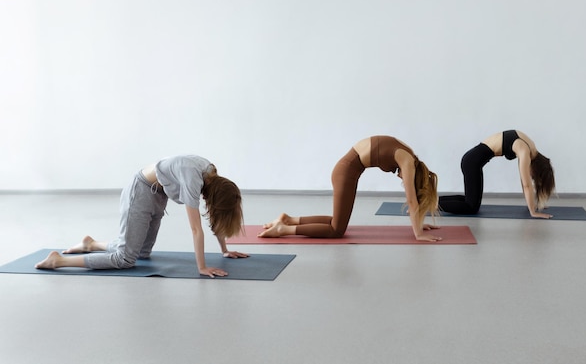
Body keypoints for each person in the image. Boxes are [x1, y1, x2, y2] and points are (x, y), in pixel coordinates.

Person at [35, 155, 248, 278]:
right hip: (141, 192)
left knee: (143, 253)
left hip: (158, 195)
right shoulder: (194, 180)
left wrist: (225, 250)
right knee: (125, 259)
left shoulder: (211, 173)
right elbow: (195, 229)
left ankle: (91, 244)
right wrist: (201, 267)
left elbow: (216, 212)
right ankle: (58, 260)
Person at [259, 136, 441, 241]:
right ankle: (283, 230)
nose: (400, 178)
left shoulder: (408, 152)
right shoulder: (408, 163)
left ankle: (289, 219)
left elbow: (413, 199)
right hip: (346, 173)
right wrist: (418, 234)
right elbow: (411, 200)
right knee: (336, 230)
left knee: (337, 220)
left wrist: (418, 223)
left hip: (346, 169)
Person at [438, 130, 555, 218]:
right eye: (535, 176)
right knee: (471, 207)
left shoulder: (529, 146)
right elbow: (526, 185)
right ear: (537, 168)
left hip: (473, 161)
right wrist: (533, 212)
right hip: (472, 162)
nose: (532, 177)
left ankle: (433, 200)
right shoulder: (525, 152)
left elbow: (524, 182)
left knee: (471, 201)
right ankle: (432, 205)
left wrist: (533, 204)